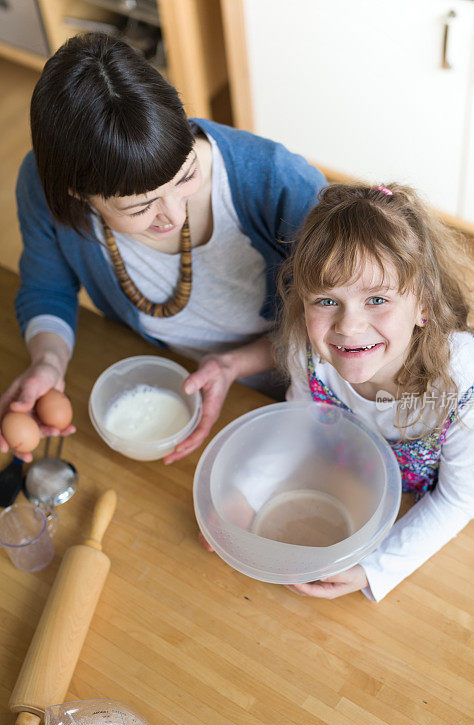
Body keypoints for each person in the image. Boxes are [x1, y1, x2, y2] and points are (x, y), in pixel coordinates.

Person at [0, 33, 326, 462]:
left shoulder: (276, 181)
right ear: (78, 193)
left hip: (306, 385)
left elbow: (339, 321)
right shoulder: (44, 190)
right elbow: (47, 288)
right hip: (178, 379)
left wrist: (235, 365)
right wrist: (48, 363)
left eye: (186, 177)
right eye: (142, 206)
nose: (174, 214)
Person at [275, 182, 474, 601]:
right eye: (325, 300)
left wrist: (372, 569)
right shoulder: (309, 349)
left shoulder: (462, 380)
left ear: (424, 305)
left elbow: (457, 501)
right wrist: (244, 506)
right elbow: (298, 428)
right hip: (357, 490)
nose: (348, 326)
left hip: (442, 517)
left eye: (376, 299)